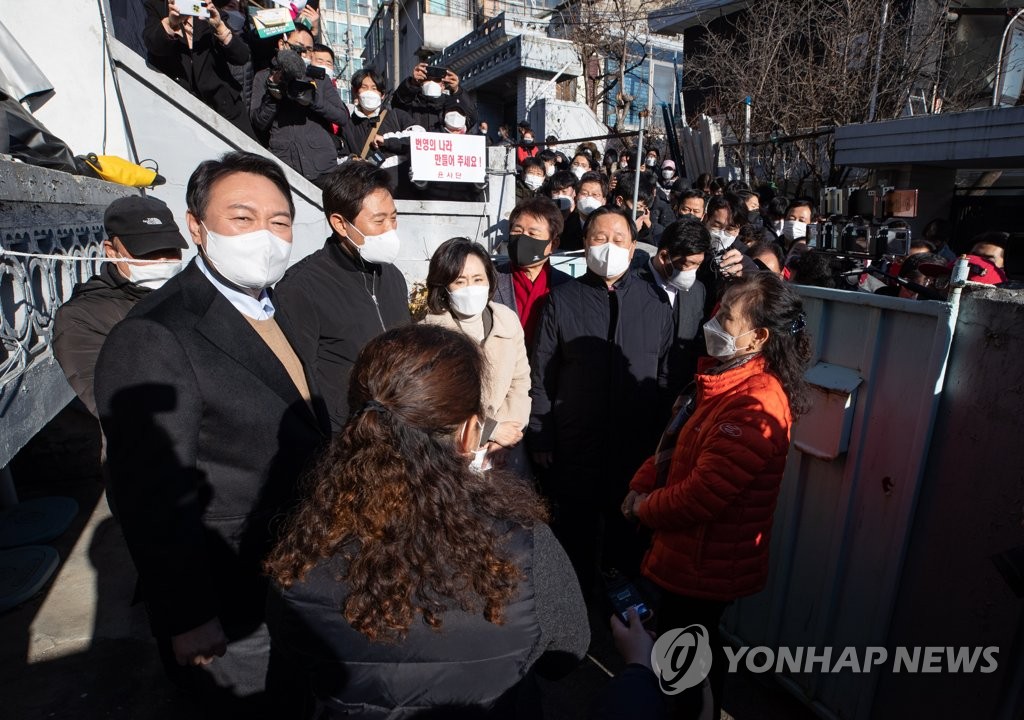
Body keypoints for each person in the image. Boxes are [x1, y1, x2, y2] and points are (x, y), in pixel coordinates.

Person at [94, 152, 330, 712]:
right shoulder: (155, 334)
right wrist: (188, 615)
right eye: (242, 218)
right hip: (230, 598)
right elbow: (149, 494)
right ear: (196, 227)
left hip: (298, 576)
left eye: (280, 221)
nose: (266, 237)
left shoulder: (274, 306)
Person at [264, 324, 589, 718]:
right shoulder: (526, 545)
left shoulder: (303, 557)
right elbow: (566, 654)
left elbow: (292, 676)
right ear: (471, 434)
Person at [623, 272, 813, 720]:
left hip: (705, 561)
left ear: (757, 338)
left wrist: (643, 508)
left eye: (727, 316)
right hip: (690, 554)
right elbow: (676, 446)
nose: (715, 321)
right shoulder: (725, 380)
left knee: (687, 663)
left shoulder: (755, 402)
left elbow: (702, 495)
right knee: (689, 650)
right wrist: (640, 484)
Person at [529, 206, 674, 600]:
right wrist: (541, 433)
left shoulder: (656, 303)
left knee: (626, 532)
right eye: (599, 238)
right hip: (574, 441)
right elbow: (542, 371)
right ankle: (571, 605)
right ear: (584, 244)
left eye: (618, 240)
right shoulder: (562, 300)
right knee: (574, 530)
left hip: (634, 447)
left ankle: (620, 606)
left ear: (633, 248)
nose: (608, 247)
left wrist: (659, 445)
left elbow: (663, 374)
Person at [274, 161, 411, 432]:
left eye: (393, 218)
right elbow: (297, 381)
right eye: (378, 220)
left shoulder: (392, 277)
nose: (390, 229)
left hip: (399, 429)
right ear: (340, 223)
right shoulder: (300, 288)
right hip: (344, 438)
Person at [54, 196, 188, 419]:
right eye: (147, 252)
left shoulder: (191, 290)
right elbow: (116, 406)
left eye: (171, 249)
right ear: (111, 251)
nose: (163, 260)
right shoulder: (80, 317)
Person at [422, 238, 531, 471]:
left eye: (477, 279)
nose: (470, 287)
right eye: (460, 281)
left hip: (505, 451)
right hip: (451, 456)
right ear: (444, 287)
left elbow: (520, 383)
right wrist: (489, 430)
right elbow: (433, 405)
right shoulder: (428, 335)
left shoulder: (507, 320)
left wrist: (502, 439)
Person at [250, 26, 350, 186]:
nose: (302, 54)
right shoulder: (264, 77)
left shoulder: (319, 78)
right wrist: (273, 94)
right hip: (285, 166)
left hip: (323, 167)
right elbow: (258, 122)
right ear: (283, 45)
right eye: (296, 47)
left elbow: (342, 117)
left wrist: (314, 100)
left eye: (308, 49)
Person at [143, 0, 254, 138]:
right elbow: (154, 44)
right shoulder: (156, 7)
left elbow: (241, 56)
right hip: (181, 112)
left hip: (224, 109)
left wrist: (220, 27)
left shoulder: (208, 10)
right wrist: (171, 23)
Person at [637, 219, 711, 396]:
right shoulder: (632, 286)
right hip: (637, 393)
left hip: (676, 396)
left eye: (697, 264)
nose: (692, 271)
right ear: (664, 257)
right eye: (687, 264)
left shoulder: (697, 290)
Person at [493, 196, 573, 347]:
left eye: (533, 234)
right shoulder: (492, 280)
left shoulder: (567, 286)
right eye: (517, 231)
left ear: (553, 244)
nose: (523, 238)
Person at [337, 68, 415, 191]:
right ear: (356, 92)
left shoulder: (397, 115)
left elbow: (420, 139)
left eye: (374, 88)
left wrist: (387, 140)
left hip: (400, 190)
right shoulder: (346, 123)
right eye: (364, 87)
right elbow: (337, 157)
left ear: (382, 94)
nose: (369, 92)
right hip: (364, 191)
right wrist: (352, 161)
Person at [391, 62, 477, 132]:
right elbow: (397, 102)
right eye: (428, 79)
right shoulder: (411, 102)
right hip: (414, 150)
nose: (431, 83)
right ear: (421, 83)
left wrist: (457, 91)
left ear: (443, 85)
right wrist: (412, 83)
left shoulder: (450, 103)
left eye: (436, 80)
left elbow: (471, 118)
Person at [561, 171, 607, 251]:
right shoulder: (563, 227)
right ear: (576, 197)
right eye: (584, 194)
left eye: (595, 195)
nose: (589, 198)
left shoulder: (610, 227)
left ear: (604, 201)